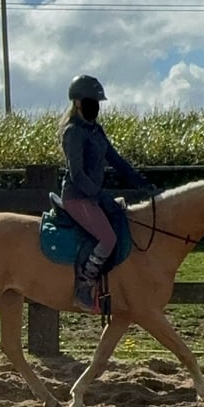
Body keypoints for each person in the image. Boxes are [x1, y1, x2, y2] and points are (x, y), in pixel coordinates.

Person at [57, 74, 152, 312]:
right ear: (78, 102)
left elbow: (115, 159)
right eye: (91, 101)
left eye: (97, 101)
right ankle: (84, 285)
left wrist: (139, 181)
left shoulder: (96, 131)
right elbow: (77, 174)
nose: (96, 106)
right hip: (77, 197)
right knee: (108, 238)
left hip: (92, 195)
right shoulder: (73, 132)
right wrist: (99, 195)